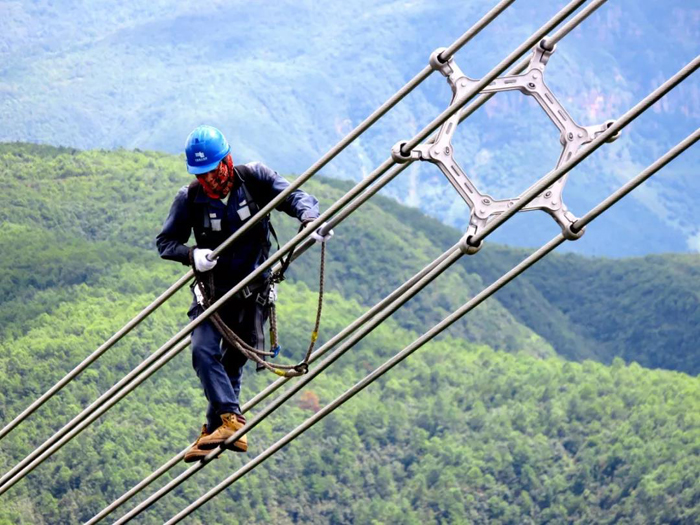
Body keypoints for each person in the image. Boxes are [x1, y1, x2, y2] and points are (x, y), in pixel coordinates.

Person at [156, 125, 326, 462]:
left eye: (212, 171)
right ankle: (232, 424)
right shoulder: (190, 198)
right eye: (200, 175)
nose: (208, 180)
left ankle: (216, 431)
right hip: (212, 293)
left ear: (227, 160)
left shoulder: (255, 179)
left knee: (233, 364)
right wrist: (192, 255)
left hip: (253, 294)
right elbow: (165, 243)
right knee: (203, 352)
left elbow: (293, 196)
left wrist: (310, 218)